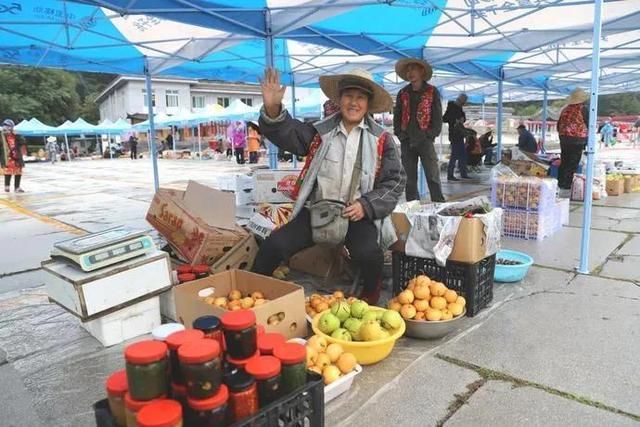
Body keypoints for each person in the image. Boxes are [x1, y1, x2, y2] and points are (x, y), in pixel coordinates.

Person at [253, 68, 405, 305]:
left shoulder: (382, 140)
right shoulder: (320, 132)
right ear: (339, 100)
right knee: (275, 244)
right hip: (317, 211)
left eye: (360, 97)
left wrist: (366, 205)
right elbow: (288, 133)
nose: (353, 102)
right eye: (348, 96)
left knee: (370, 253)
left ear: (368, 104)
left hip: (356, 215)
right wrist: (273, 108)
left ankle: (370, 296)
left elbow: (394, 181)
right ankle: (252, 290)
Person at [393, 58, 444, 202]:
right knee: (409, 179)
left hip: (425, 140)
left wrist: (430, 134)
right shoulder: (402, 92)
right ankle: (412, 208)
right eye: (408, 70)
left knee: (432, 176)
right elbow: (397, 115)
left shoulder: (432, 91)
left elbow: (437, 116)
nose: (410, 73)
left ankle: (439, 206)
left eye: (413, 69)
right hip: (407, 140)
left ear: (422, 71)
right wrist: (400, 134)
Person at [557, 88, 589, 191]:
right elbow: (589, 124)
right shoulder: (583, 109)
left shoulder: (565, 109)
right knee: (573, 163)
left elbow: (558, 125)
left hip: (564, 139)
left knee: (564, 161)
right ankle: (567, 185)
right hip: (577, 140)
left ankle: (560, 182)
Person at [443, 93, 471, 181]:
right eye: (463, 102)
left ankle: (463, 173)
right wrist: (455, 119)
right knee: (454, 155)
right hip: (454, 135)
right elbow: (444, 118)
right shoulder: (451, 107)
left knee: (463, 155)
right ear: (459, 100)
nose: (463, 104)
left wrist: (462, 119)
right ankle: (450, 175)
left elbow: (463, 118)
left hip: (459, 134)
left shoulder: (459, 108)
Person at [1, 119, 26, 193]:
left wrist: (17, 134)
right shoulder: (1, 136)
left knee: (18, 172)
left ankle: (17, 187)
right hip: (7, 157)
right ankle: (7, 186)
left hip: (16, 157)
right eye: (6, 127)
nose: (7, 129)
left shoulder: (16, 135)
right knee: (7, 172)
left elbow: (23, 142)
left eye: (9, 127)